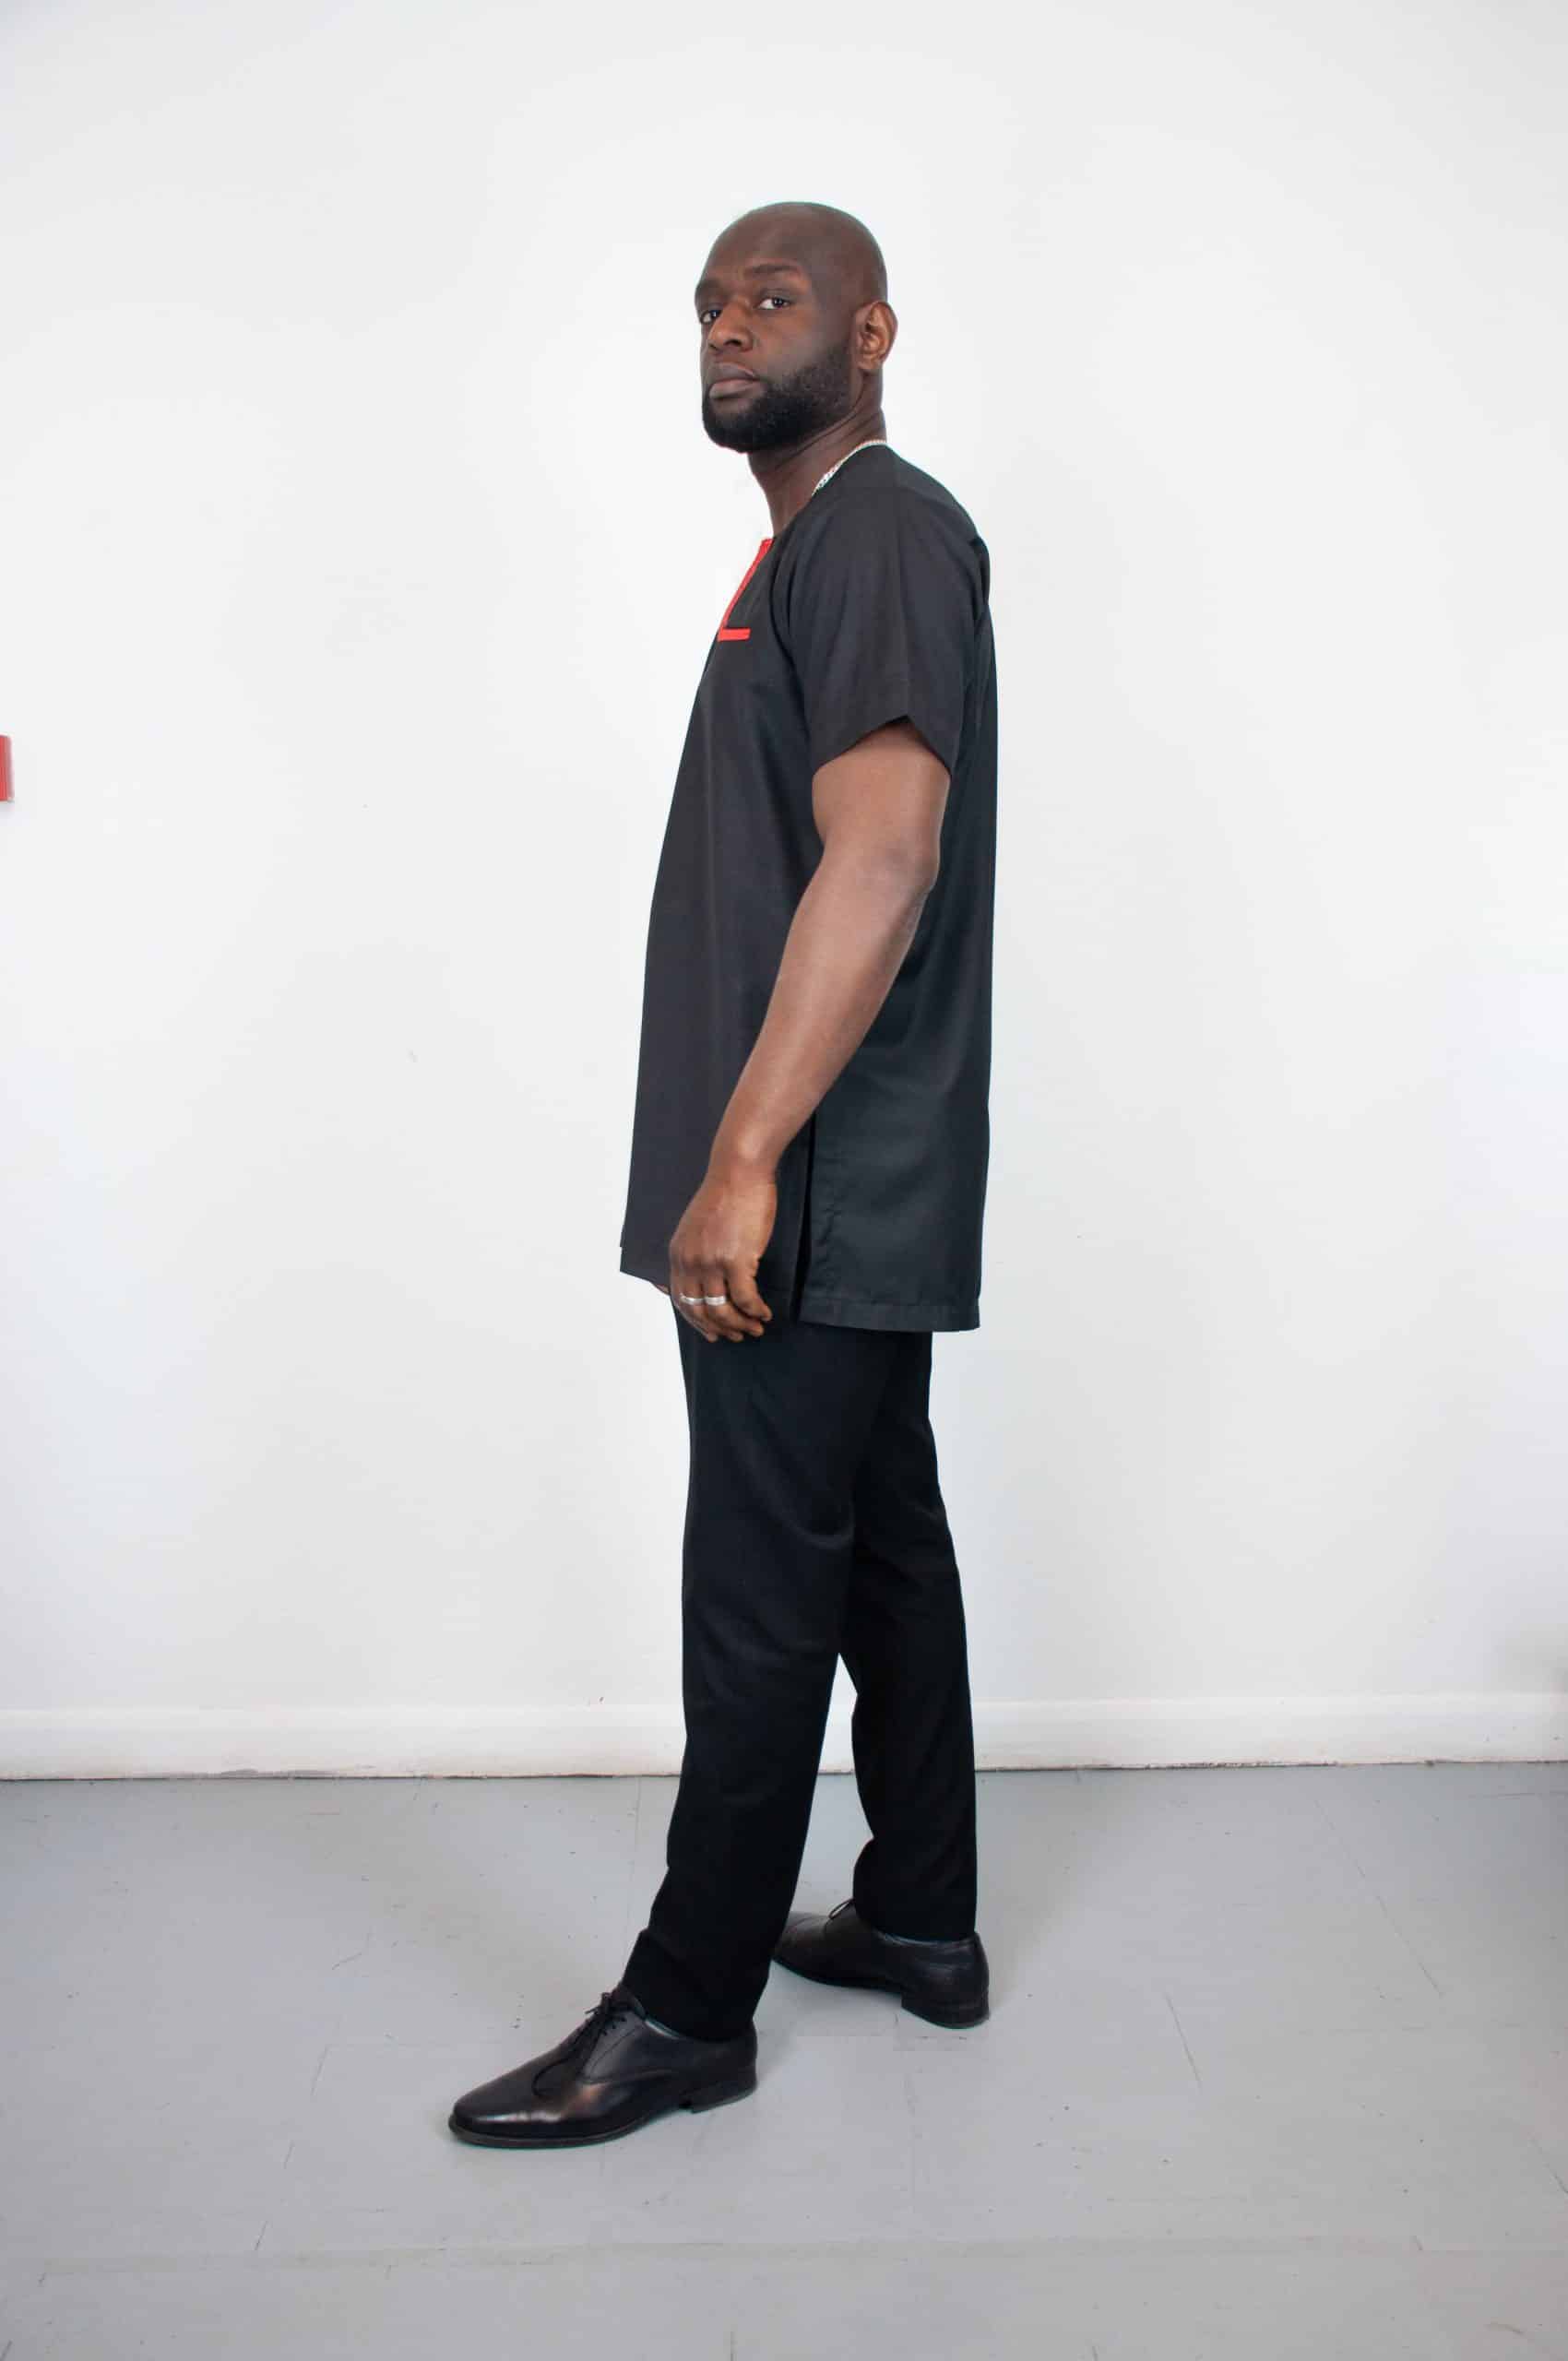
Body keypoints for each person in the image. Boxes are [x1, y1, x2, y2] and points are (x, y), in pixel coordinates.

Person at [449, 199, 996, 2151]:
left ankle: (686, 2009)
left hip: (814, 1182)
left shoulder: (878, 534)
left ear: (873, 332)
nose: (729, 328)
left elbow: (886, 852)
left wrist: (742, 1155)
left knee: (759, 1594)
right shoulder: (817, 543)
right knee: (884, 1542)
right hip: (857, 1180)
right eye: (708, 304)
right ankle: (922, 1913)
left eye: (774, 297)